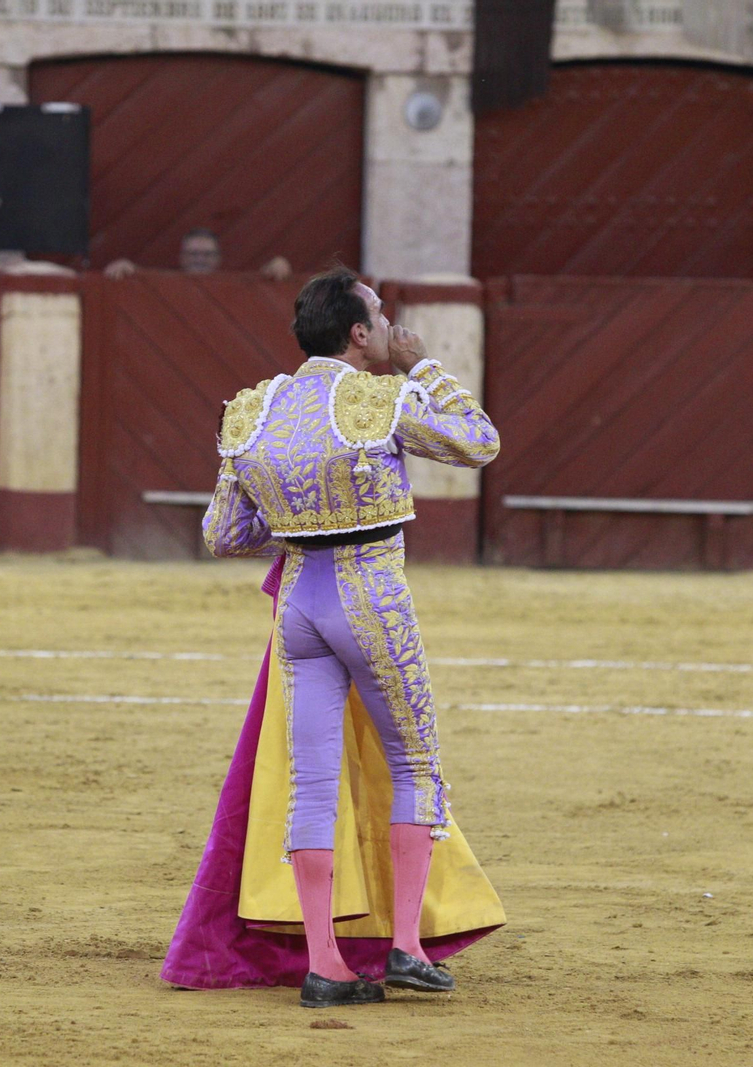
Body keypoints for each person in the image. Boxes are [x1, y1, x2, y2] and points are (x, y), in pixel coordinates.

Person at [195, 268, 501, 1008]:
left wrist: (297, 506)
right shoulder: (381, 394)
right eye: (380, 316)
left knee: (311, 782)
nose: (389, 324)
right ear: (359, 334)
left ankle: (326, 963)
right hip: (371, 598)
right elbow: (480, 441)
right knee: (416, 762)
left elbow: (223, 534)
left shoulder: (255, 409)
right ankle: (403, 946)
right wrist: (420, 362)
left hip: (297, 604)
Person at [103, 227, 292, 280]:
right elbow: (141, 277)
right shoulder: (163, 285)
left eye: (207, 254)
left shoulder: (231, 287)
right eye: (194, 254)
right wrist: (126, 267)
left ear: (218, 259)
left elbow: (259, 281)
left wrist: (275, 266)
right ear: (182, 258)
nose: (200, 260)